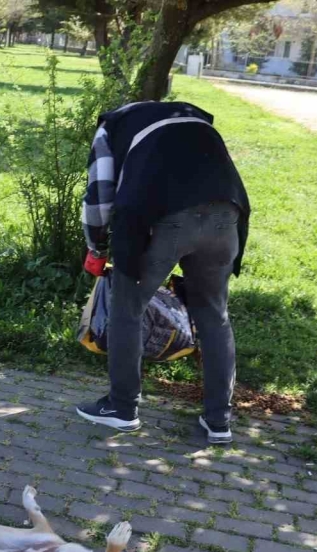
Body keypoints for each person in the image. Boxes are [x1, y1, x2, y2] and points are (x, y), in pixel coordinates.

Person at [75, 101, 250, 444]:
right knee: (215, 316)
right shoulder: (199, 122)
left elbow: (99, 197)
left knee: (127, 308)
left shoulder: (111, 127)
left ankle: (121, 408)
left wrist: (95, 245)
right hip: (227, 216)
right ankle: (219, 421)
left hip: (164, 220)